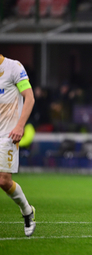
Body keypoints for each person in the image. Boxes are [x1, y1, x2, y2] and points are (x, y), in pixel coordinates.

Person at [0, 54, 36, 236]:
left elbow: (29, 98)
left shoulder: (13, 67)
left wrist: (20, 126)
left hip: (8, 134)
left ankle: (27, 211)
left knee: (4, 181)